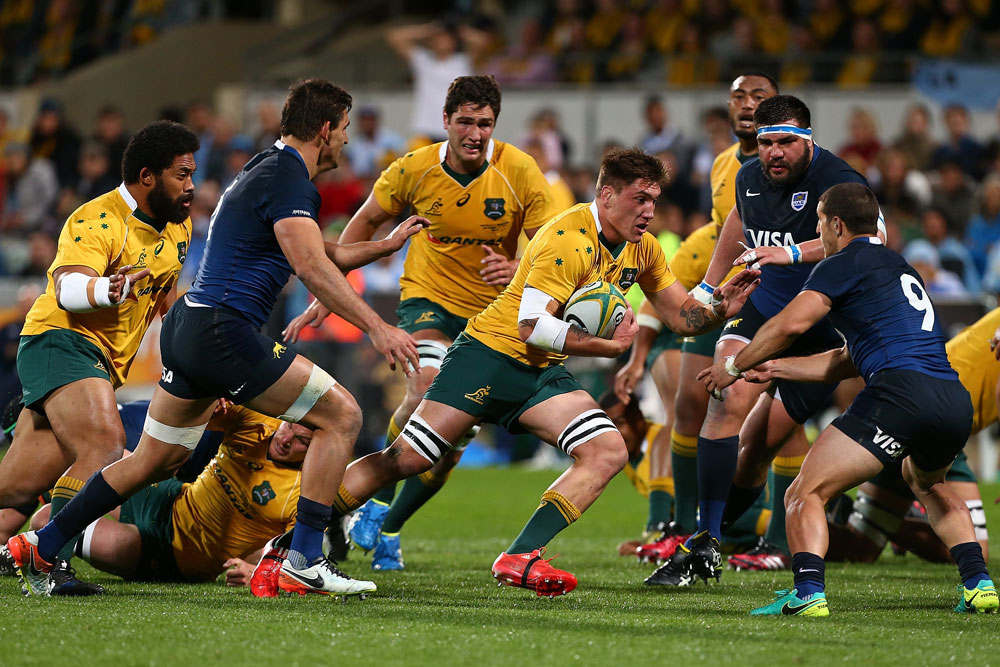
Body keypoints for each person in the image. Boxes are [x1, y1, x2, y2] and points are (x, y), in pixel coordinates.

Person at [271, 148, 759, 598]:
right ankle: (293, 541)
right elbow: (532, 326)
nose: (649, 210)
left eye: (654, 198)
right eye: (639, 198)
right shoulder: (568, 238)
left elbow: (680, 315)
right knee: (405, 461)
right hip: (488, 356)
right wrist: (606, 347)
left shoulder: (644, 249)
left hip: (540, 375)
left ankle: (520, 556)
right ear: (606, 195)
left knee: (607, 450)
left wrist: (719, 304)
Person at [7, 79, 425, 600]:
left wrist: (385, 245)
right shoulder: (290, 179)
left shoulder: (264, 169)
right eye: (342, 129)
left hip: (190, 328)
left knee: (151, 460)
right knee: (342, 416)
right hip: (224, 330)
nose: (343, 140)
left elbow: (322, 251)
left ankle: (46, 542)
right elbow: (310, 264)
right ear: (325, 128)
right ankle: (305, 560)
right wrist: (379, 327)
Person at [284, 75, 559, 572]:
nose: (475, 133)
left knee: (450, 440)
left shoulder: (520, 170)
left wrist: (518, 268)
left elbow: (550, 250)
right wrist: (332, 291)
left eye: (485, 123)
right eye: (466, 122)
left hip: (493, 317)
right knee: (425, 384)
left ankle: (386, 526)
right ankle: (376, 501)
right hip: (427, 300)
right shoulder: (412, 168)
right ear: (446, 121)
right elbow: (366, 223)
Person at [700, 182, 997, 616]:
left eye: (819, 224)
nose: (818, 233)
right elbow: (846, 360)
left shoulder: (842, 263)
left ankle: (807, 593)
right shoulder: (900, 267)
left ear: (836, 224)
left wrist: (733, 365)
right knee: (929, 483)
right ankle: (978, 584)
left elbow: (789, 326)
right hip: (951, 398)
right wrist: (775, 368)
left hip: (898, 394)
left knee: (805, 492)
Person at [645, 94, 872, 587]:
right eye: (767, 143)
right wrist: (709, 284)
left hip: (822, 329)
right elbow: (736, 219)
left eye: (786, 142)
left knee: (754, 456)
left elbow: (870, 239)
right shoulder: (749, 177)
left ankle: (722, 537)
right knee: (724, 397)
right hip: (764, 312)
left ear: (808, 139)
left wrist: (789, 254)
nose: (774, 152)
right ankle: (704, 541)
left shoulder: (842, 182)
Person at [1, 120, 198, 596]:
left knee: (17, 491)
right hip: (59, 340)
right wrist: (104, 289)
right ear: (147, 176)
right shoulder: (96, 218)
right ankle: (49, 563)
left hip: (99, 365)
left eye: (193, 173)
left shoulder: (179, 229)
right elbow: (67, 286)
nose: (191, 185)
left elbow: (164, 301)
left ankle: (17, 547)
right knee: (105, 445)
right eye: (181, 174)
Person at [615, 72, 778, 561]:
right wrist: (708, 290)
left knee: (779, 418)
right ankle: (684, 529)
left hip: (778, 298)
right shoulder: (724, 164)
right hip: (726, 295)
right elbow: (718, 234)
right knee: (688, 402)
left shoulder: (796, 161)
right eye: (738, 97)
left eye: (759, 97)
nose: (747, 105)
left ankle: (777, 540)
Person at [29, 404, 313, 587]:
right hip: (169, 497)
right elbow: (201, 406)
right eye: (289, 426)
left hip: (171, 555)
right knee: (98, 452)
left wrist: (257, 572)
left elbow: (301, 566)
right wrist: (213, 402)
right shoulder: (261, 422)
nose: (286, 439)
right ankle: (23, 493)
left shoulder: (305, 492)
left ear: (316, 450)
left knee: (44, 523)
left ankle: (23, 526)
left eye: (301, 440)